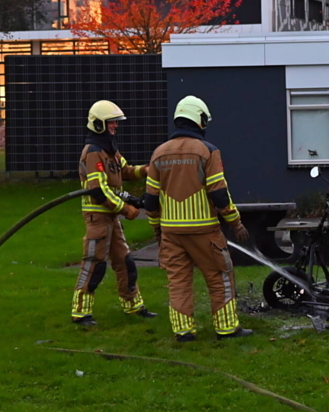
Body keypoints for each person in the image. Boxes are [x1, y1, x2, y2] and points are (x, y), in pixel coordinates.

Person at [143, 95, 253, 342]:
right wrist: (236, 223)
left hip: (171, 233)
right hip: (205, 232)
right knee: (219, 275)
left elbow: (150, 201)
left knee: (178, 282)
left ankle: (183, 332)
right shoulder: (207, 151)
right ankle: (226, 329)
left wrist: (157, 230)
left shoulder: (159, 153)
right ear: (199, 120)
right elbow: (219, 194)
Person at [71, 100, 157, 326]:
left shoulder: (109, 150)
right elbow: (98, 190)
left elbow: (125, 170)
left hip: (110, 218)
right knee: (94, 264)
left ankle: (133, 306)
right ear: (99, 124)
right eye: (112, 123)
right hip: (97, 218)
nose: (115, 126)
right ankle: (81, 312)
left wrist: (147, 170)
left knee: (125, 262)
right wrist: (126, 208)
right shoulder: (93, 152)